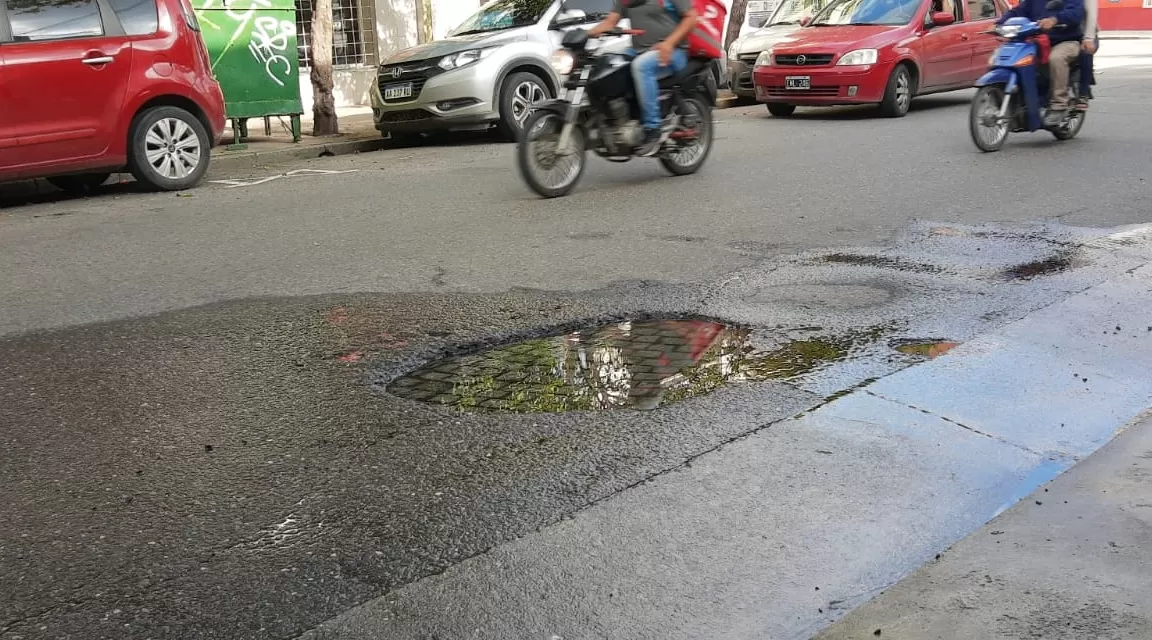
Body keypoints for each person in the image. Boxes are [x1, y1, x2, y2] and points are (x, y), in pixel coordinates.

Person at [588, 0, 699, 156]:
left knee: (641, 66)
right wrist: (582, 36)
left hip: (673, 50)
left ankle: (653, 129)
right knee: (609, 64)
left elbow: (691, 17)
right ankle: (621, 120)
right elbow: (609, 22)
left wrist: (668, 43)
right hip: (639, 50)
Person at [997, 0, 1085, 125]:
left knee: (1056, 58)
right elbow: (1017, 11)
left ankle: (1059, 104)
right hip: (1038, 40)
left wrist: (1055, 20)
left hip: (1066, 41)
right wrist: (999, 23)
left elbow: (1075, 13)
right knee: (1019, 58)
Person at [1076, 0, 1098, 110]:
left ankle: (1083, 93)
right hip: (1063, 32)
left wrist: (1088, 38)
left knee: (1085, 52)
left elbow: (1092, 15)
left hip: (1085, 33)